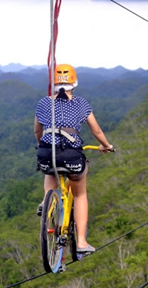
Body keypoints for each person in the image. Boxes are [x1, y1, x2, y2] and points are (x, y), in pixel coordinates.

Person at [34, 64, 113, 253]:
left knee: (50, 167)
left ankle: (47, 201)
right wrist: (107, 146)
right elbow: (96, 130)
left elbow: (37, 130)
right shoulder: (81, 103)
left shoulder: (44, 102)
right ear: (74, 83)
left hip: (46, 153)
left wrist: (42, 145)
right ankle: (81, 243)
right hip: (71, 155)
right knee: (80, 194)